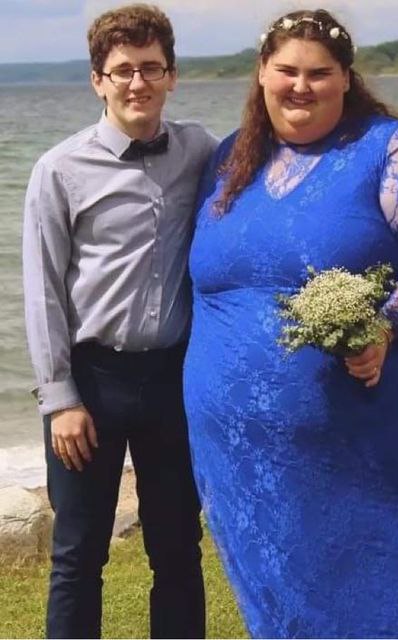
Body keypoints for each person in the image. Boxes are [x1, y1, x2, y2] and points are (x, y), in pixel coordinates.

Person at [183, 8, 398, 638]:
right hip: (245, 460)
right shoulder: (231, 158)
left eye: (319, 73)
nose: (301, 86)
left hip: (362, 457)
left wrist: (387, 324)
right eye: (286, 70)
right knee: (283, 610)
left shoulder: (387, 150)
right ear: (261, 72)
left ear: (346, 78)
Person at [22, 4, 216, 638]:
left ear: (172, 76)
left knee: (179, 550)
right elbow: (43, 292)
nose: (138, 82)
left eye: (151, 68)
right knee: (78, 557)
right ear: (97, 81)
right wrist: (60, 400)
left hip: (173, 382)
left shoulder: (200, 151)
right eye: (123, 70)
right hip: (91, 384)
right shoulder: (59, 170)